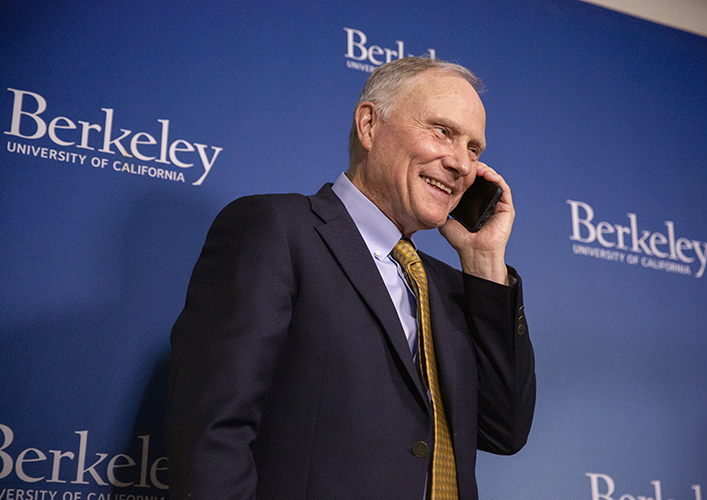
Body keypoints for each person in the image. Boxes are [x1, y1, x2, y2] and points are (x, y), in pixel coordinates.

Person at [168, 56, 535, 500]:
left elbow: (504, 432)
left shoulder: (451, 287)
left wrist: (483, 264)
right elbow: (213, 432)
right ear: (368, 125)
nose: (461, 163)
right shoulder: (276, 230)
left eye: (474, 148)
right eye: (442, 131)